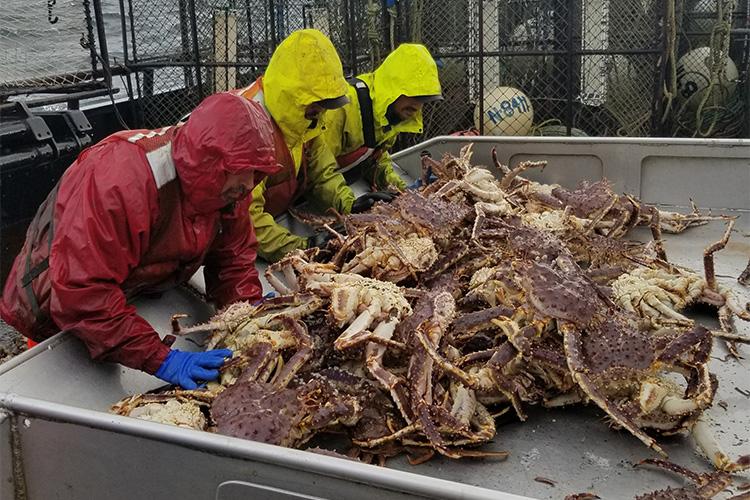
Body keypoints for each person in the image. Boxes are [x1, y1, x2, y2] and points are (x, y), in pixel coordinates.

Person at [0, 93, 280, 390]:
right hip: (54, 305)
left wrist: (248, 314)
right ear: (211, 163)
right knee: (52, 385)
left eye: (257, 173)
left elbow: (232, 257)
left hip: (130, 288)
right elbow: (82, 291)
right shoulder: (120, 179)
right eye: (244, 172)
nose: (250, 183)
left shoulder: (230, 183)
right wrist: (160, 359)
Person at [232, 29, 396, 262]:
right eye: (318, 105)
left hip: (272, 222)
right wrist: (300, 247)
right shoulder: (245, 128)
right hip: (224, 241)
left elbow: (321, 174)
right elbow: (245, 217)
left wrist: (350, 205)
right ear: (297, 97)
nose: (322, 114)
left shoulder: (305, 119)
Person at [323, 43, 442, 192]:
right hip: (309, 195)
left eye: (424, 100)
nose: (417, 107)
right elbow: (318, 171)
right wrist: (348, 202)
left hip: (344, 184)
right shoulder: (344, 107)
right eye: (414, 96)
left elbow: (377, 160)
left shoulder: (391, 114)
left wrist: (403, 190)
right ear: (393, 89)